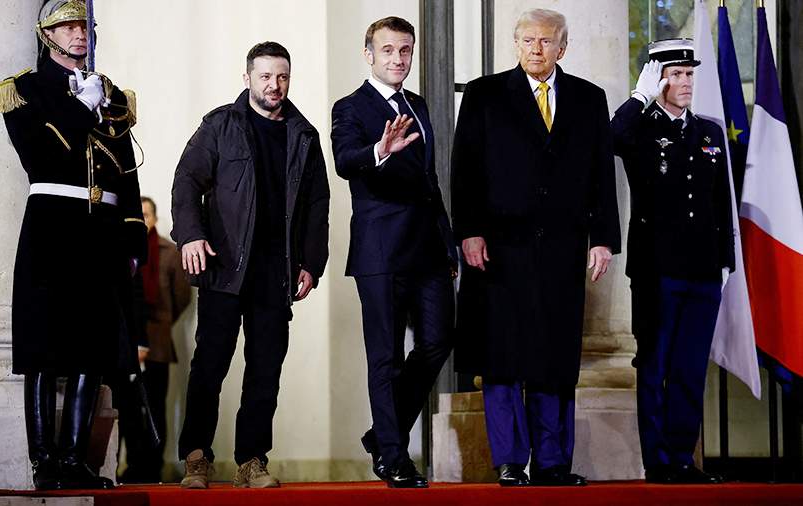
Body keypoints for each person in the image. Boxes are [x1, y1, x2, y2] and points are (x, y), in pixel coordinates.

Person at [451, 8, 621, 487]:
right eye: (527, 41)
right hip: (499, 249)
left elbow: (601, 176)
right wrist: (468, 231)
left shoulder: (589, 98)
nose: (536, 49)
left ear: (562, 47)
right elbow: (464, 170)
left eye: (546, 41)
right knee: (501, 355)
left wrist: (603, 239)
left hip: (563, 249)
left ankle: (552, 463)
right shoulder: (484, 94)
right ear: (516, 44)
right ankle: (510, 460)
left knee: (554, 355)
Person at [0, 0, 145, 490]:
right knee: (43, 346)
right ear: (47, 34)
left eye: (84, 25)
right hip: (52, 227)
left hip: (102, 232)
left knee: (92, 347)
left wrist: (133, 234)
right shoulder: (24, 90)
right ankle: (44, 463)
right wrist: (81, 107)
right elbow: (40, 156)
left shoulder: (112, 94)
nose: (79, 34)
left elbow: (127, 173)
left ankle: (75, 459)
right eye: (68, 26)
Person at [171, 41, 330, 489]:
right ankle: (197, 457)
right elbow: (186, 181)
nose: (274, 85)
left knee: (265, 371)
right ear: (247, 78)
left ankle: (252, 461)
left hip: (276, 274)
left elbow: (318, 205)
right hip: (223, 268)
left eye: (282, 77)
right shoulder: (220, 125)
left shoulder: (304, 135)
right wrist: (191, 234)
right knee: (210, 366)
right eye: (265, 76)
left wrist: (311, 263)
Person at [331, 16, 458, 489]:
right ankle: (393, 454)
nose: (398, 59)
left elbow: (430, 181)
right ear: (369, 54)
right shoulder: (350, 107)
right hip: (380, 251)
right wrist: (379, 151)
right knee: (384, 356)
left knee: (438, 341)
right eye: (387, 50)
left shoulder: (417, 104)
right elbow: (345, 160)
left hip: (427, 250)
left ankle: (381, 436)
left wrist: (447, 243)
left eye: (405, 50)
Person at [611, 39, 733, 485]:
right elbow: (606, 140)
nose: (685, 82)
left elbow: (721, 203)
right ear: (656, 78)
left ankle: (682, 457)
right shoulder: (639, 129)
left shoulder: (709, 132)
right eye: (675, 74)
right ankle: (658, 461)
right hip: (656, 270)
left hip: (703, 270)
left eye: (689, 74)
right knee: (654, 364)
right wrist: (639, 97)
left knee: (690, 367)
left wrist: (725, 262)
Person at [119, 196, 192, 483]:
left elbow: (182, 297)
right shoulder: (124, 250)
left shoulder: (170, 252)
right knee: (127, 408)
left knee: (155, 408)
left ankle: (153, 466)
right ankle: (130, 465)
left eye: (147, 214)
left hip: (158, 344)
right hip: (126, 344)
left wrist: (161, 324)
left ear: (155, 218)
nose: (143, 219)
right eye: (139, 215)